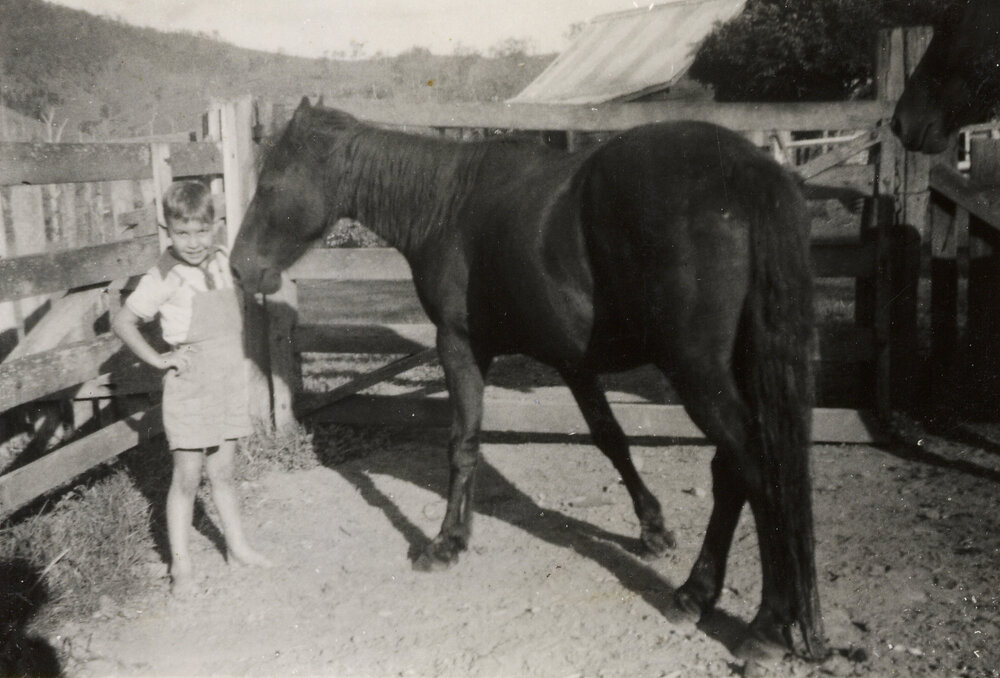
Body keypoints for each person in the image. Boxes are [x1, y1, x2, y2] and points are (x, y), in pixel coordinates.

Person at [112, 180, 271, 597]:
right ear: (168, 232)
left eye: (201, 231)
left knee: (223, 473)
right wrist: (159, 358)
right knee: (187, 477)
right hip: (192, 386)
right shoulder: (164, 274)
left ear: (216, 227)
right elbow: (123, 322)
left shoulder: (222, 261)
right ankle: (180, 568)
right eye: (182, 233)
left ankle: (237, 549)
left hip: (226, 381)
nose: (194, 242)